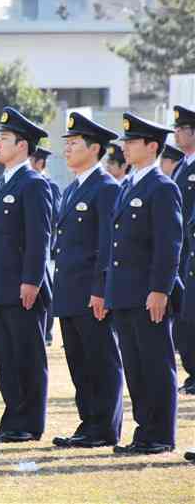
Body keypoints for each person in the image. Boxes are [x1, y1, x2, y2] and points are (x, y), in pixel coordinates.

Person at [108, 113, 181, 455]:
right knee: (135, 366)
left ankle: (161, 434)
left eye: (132, 141)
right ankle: (144, 431)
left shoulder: (163, 187)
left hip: (148, 292)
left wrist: (160, 289)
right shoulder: (128, 185)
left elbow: (169, 244)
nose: (125, 146)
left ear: (152, 146)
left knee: (155, 362)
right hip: (124, 292)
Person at [0, 107, 53, 443]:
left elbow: (39, 237)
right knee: (6, 357)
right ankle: (12, 419)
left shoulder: (33, 183)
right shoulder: (2, 182)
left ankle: (29, 422)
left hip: (21, 286)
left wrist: (32, 281)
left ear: (22, 146)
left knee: (27, 356)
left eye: (4, 139)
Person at [51, 112, 124, 449]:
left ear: (95, 149)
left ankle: (104, 427)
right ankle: (88, 422)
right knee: (80, 363)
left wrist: (101, 289)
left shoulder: (106, 188)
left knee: (101, 360)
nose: (66, 149)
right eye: (65, 144)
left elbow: (108, 245)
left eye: (74, 144)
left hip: (90, 293)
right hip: (69, 292)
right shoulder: (72, 189)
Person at [171, 105, 195, 396]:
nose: (176, 134)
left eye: (180, 129)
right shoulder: (182, 166)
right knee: (185, 317)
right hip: (181, 254)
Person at [31, 146, 62, 345]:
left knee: (45, 289)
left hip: (45, 246)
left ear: (40, 163)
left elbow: (53, 218)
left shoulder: (49, 185)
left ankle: (48, 331)